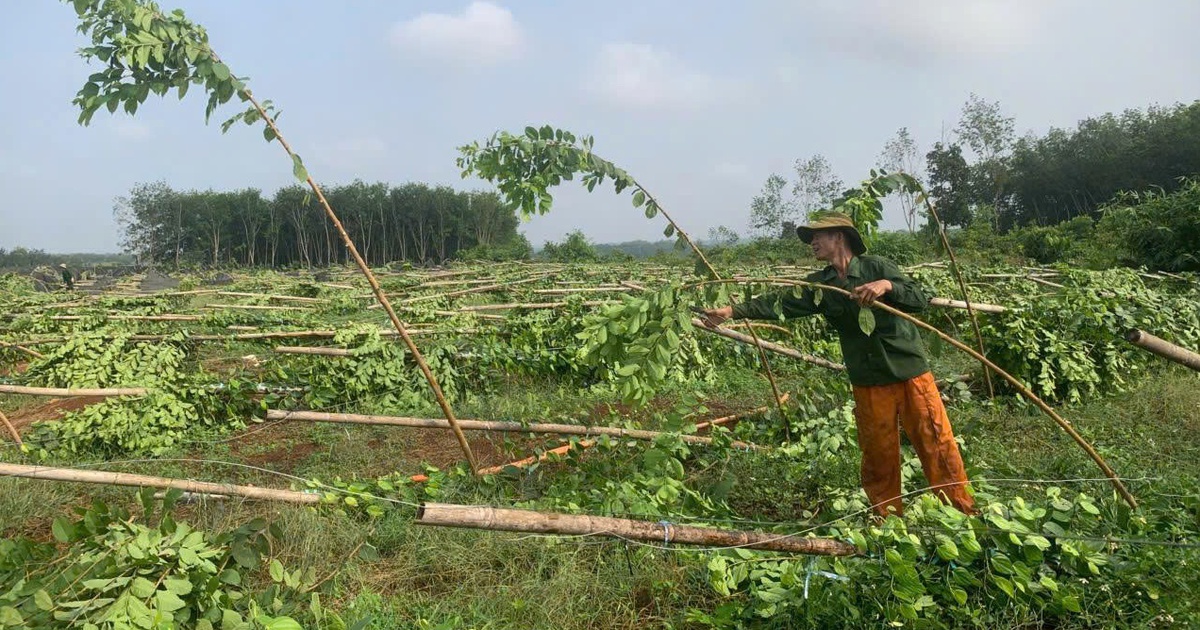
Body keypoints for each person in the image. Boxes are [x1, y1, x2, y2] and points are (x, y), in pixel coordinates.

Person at [698, 212, 976, 519]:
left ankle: (961, 513)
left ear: (839, 237)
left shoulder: (876, 267)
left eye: (818, 236)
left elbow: (919, 298)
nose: (813, 243)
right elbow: (781, 302)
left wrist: (886, 286)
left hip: (908, 372)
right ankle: (888, 521)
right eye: (811, 238)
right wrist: (732, 311)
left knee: (935, 442)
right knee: (878, 453)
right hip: (868, 378)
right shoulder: (822, 285)